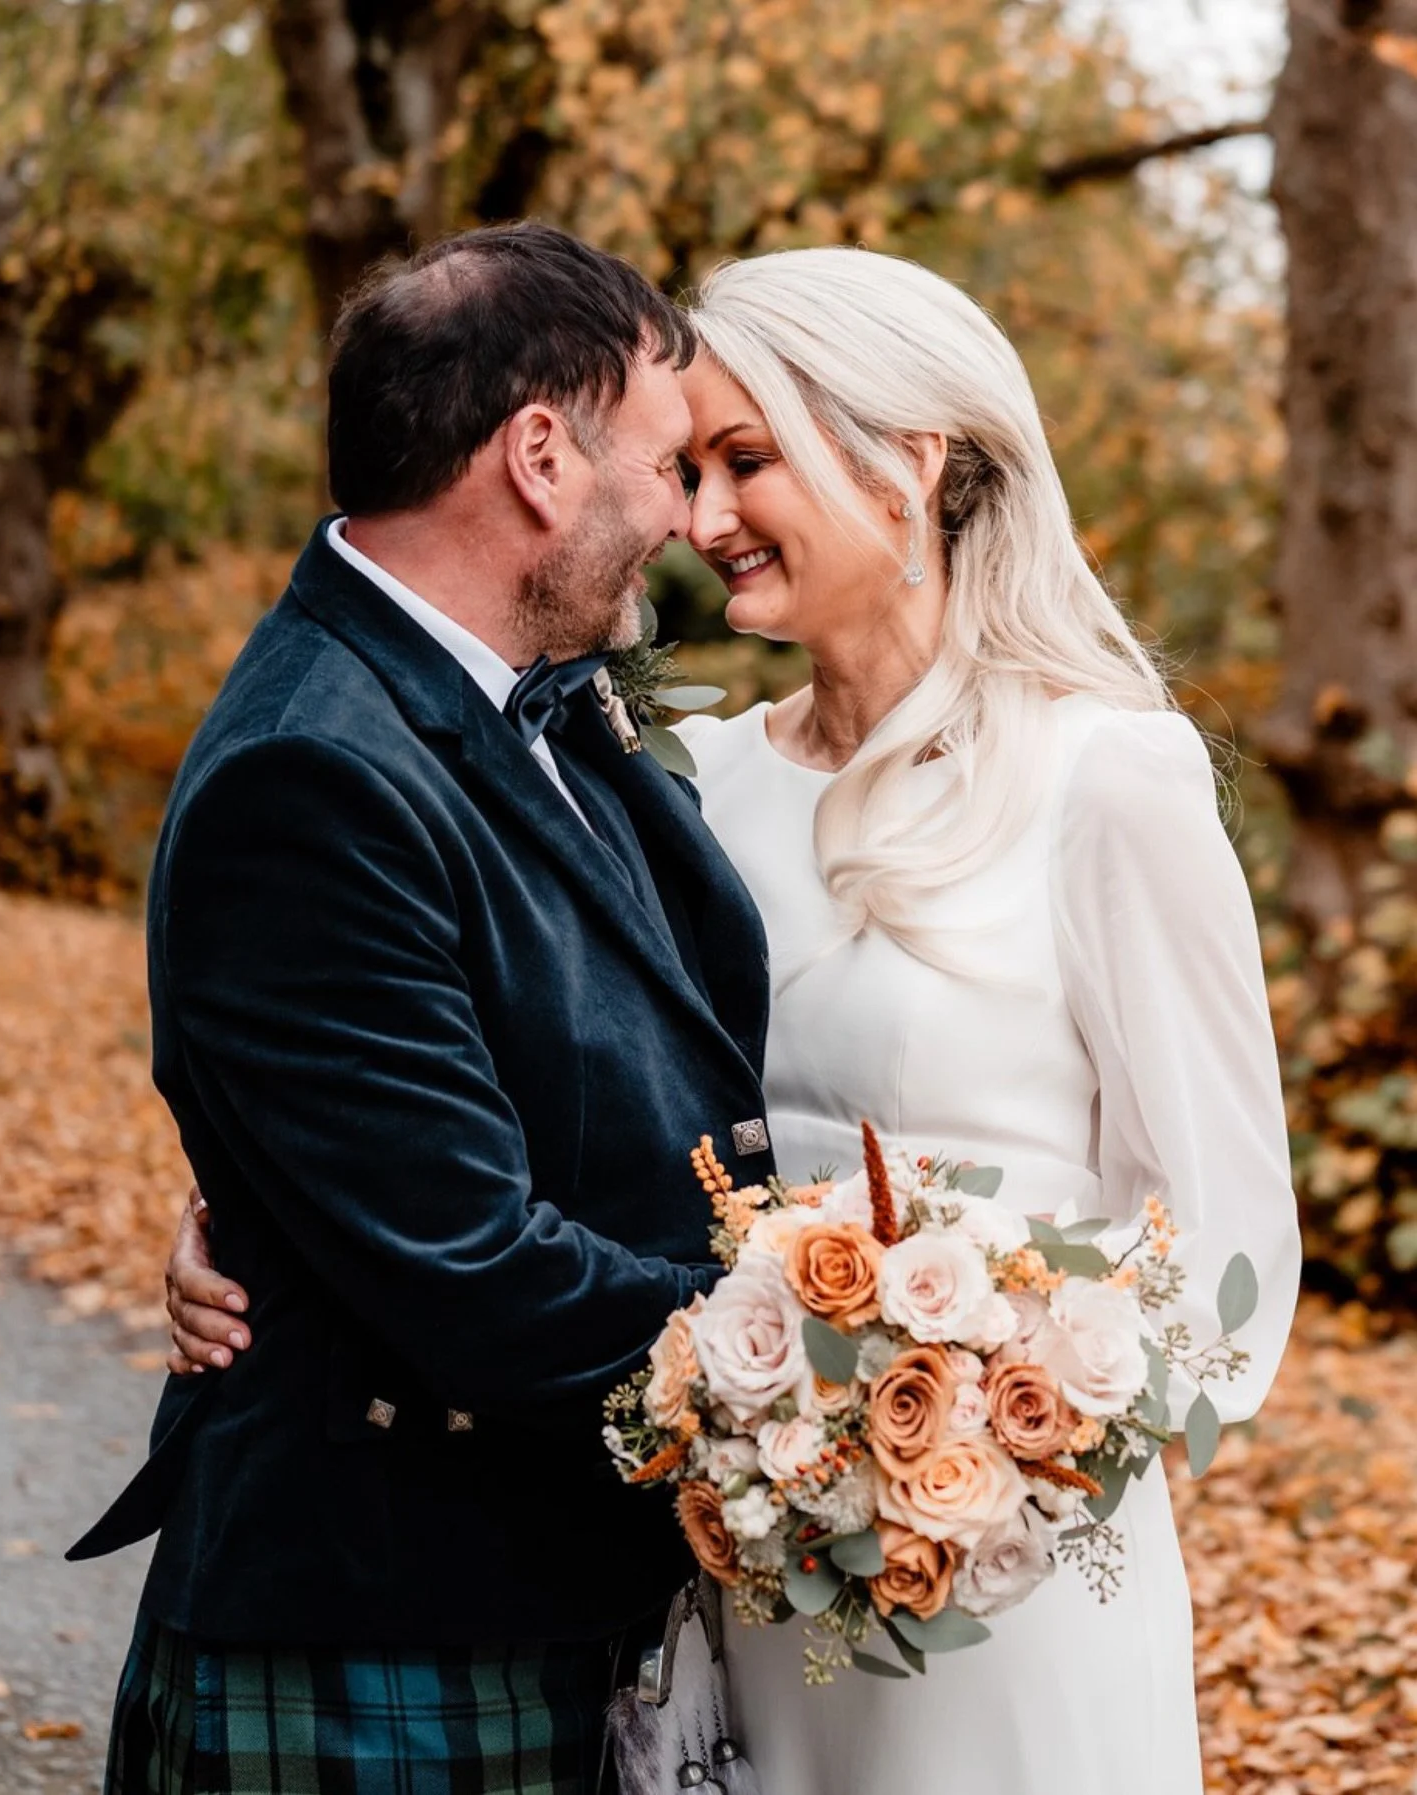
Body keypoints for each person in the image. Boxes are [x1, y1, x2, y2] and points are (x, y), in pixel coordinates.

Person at [164, 243, 1301, 1795]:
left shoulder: (1111, 779)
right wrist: (276, 1209)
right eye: (685, 465)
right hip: (731, 1565)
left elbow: (1225, 1259)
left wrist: (994, 1435)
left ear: (911, 462)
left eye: (742, 462)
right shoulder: (697, 780)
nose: (697, 521)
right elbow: (514, 1079)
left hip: (999, 1587)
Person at [69, 221, 779, 1795]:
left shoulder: (526, 693)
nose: (681, 515)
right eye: (665, 464)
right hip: (386, 1626)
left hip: (547, 1591)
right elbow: (466, 1266)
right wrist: (815, 1349)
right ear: (539, 455)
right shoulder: (308, 772)